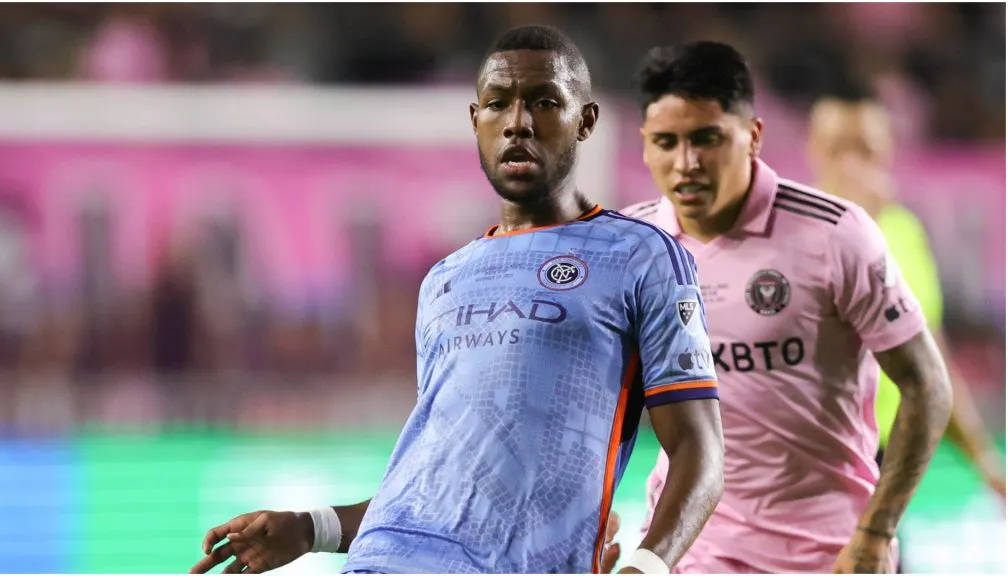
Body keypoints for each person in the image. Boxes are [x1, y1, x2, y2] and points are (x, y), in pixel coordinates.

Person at [190, 25, 725, 575]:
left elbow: (700, 454)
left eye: (543, 101)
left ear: (585, 120)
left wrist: (645, 568)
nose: (517, 122)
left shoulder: (641, 257)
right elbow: (436, 483)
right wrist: (311, 527)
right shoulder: (446, 278)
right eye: (498, 104)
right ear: (476, 121)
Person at [603, 41, 953, 574]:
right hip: (693, 551)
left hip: (826, 554)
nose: (686, 162)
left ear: (754, 136)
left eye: (706, 138)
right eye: (666, 142)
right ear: (645, 144)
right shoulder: (632, 243)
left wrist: (877, 531)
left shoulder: (836, 234)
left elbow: (928, 383)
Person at [807, 87, 1006, 500]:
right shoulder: (790, 234)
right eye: (838, 149)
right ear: (813, 150)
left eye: (865, 150)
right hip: (812, 455)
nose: (852, 164)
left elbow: (932, 355)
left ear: (888, 153)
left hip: (883, 452)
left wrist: (984, 461)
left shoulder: (903, 231)